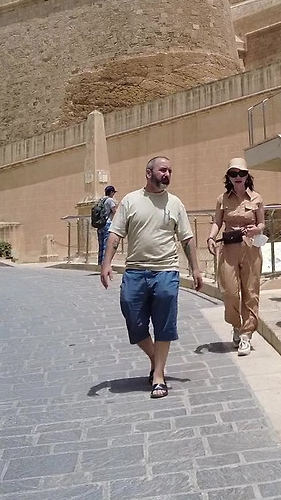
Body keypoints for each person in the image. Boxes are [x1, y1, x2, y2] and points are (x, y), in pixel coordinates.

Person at [101, 157, 202, 399]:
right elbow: (115, 234)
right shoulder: (130, 200)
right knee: (133, 318)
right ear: (149, 173)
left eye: (170, 170)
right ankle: (157, 359)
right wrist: (106, 263)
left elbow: (187, 238)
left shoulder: (175, 203)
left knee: (164, 323)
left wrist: (195, 269)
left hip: (166, 270)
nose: (167, 174)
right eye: (162, 170)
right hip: (135, 271)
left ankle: (158, 376)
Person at [207, 158, 265, 357]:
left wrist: (256, 229)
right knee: (230, 291)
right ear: (228, 177)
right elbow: (217, 221)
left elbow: (262, 224)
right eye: (233, 174)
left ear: (247, 176)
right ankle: (236, 326)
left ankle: (246, 335)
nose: (238, 177)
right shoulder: (222, 199)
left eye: (241, 173)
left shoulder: (256, 198)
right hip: (229, 249)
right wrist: (211, 237)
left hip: (251, 248)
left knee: (251, 291)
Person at [93, 185, 118, 265]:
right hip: (107, 223)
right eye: (113, 192)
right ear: (111, 192)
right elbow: (114, 211)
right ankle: (105, 264)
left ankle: (100, 262)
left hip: (100, 225)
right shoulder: (110, 200)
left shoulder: (101, 200)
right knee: (106, 244)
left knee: (101, 244)